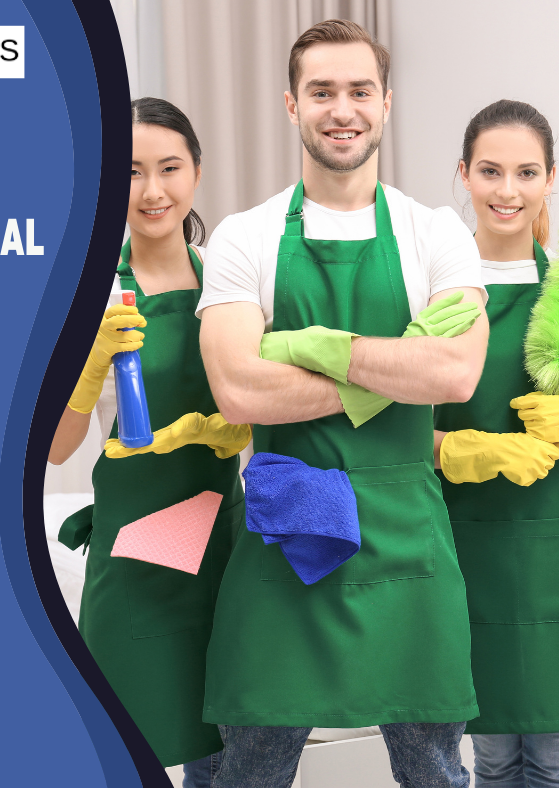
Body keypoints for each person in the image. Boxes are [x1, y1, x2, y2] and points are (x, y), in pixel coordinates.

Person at [196, 19, 489, 788]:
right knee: (249, 770)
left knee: (433, 769)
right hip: (283, 531)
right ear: (291, 105)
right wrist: (392, 369)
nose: (341, 108)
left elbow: (455, 374)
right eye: (321, 91)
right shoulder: (245, 236)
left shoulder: (438, 234)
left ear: (386, 103)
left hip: (409, 544)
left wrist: (307, 347)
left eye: (359, 90)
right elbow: (236, 386)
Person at [49, 97, 251, 784]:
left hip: (221, 545)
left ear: (197, 171)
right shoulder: (86, 292)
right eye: (131, 172)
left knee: (226, 752)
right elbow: (53, 448)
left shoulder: (233, 279)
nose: (153, 190)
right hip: (136, 554)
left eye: (170, 167)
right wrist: (84, 373)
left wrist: (239, 425)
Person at [435, 100, 559, 788]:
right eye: (490, 170)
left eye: (525, 172)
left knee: (549, 757)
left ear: (550, 180)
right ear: (463, 175)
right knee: (489, 754)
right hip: (460, 542)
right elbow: (384, 428)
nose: (507, 190)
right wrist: (456, 449)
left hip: (549, 547)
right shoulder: (433, 294)